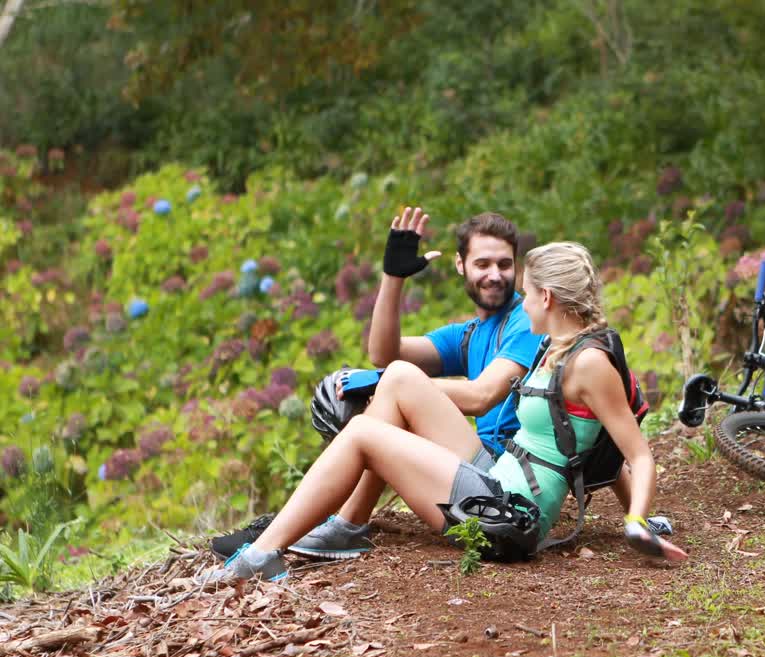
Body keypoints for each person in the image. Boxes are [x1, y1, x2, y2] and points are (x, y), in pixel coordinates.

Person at [207, 241, 687, 581]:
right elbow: (593, 449)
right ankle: (346, 526)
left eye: (526, 292)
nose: (521, 302)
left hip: (508, 517)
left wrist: (636, 521)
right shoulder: (556, 347)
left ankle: (261, 554)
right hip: (498, 477)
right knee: (400, 375)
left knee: (361, 435)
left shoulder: (590, 363)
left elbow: (633, 453)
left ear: (547, 298)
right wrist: (378, 374)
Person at [211, 207, 543, 559]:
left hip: (506, 493)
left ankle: (338, 523)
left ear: (517, 267)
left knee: (397, 381)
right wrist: (393, 278)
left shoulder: (526, 321)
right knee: (394, 387)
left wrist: (380, 381)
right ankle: (339, 522)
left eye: (504, 265)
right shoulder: (470, 334)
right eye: (483, 264)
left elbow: (482, 396)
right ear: (461, 265)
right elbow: (384, 353)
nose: (495, 275)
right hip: (481, 475)